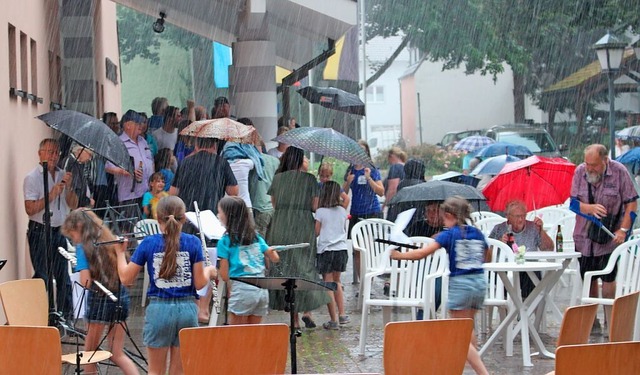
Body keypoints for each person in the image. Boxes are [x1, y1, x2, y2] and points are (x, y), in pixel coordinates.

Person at [115, 196, 217, 375]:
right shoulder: (193, 242)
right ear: (184, 218)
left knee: (155, 371)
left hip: (159, 310)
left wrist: (119, 253)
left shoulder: (149, 243)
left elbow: (125, 279)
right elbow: (200, 282)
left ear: (157, 217)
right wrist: (209, 271)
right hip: (187, 310)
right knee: (178, 372)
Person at [390, 196, 489, 375]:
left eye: (444, 217)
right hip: (479, 282)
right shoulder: (476, 232)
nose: (442, 221)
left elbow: (422, 253)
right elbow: (487, 256)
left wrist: (399, 256)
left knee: (459, 335)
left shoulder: (449, 234)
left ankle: (483, 372)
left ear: (450, 215)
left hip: (461, 284)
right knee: (467, 328)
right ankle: (465, 367)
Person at [61, 209, 138, 375]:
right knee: (117, 353)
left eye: (72, 235)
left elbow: (86, 281)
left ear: (79, 228)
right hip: (120, 297)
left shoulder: (83, 248)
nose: (73, 239)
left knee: (90, 354)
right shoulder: (110, 240)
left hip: (98, 299)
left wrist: (79, 267)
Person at [570, 144, 638, 332]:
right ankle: (593, 321)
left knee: (608, 278)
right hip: (584, 237)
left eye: (594, 165)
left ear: (605, 161)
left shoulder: (619, 172)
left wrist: (623, 230)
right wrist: (588, 208)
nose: (589, 169)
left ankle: (610, 318)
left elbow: (632, 203)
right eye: (587, 164)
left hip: (609, 237)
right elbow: (573, 204)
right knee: (588, 278)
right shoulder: (580, 172)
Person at [267, 146, 329, 331]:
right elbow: (314, 206)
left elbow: (275, 204)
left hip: (282, 224)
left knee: (287, 269)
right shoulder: (310, 179)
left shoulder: (278, 179)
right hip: (303, 225)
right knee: (306, 267)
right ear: (301, 160)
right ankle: (307, 311)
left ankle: (293, 319)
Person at [24, 138, 77, 320]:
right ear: (40, 154)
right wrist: (52, 193)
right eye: (49, 152)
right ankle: (43, 315)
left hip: (59, 230)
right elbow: (29, 209)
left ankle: (65, 316)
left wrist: (68, 188)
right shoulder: (32, 178)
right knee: (43, 276)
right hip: (40, 231)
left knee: (63, 275)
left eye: (56, 152)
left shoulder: (63, 174)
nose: (54, 156)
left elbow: (73, 204)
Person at [217, 196, 280, 325]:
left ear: (228, 216)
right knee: (254, 336)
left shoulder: (225, 241)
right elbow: (275, 258)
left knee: (237, 336)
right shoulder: (256, 237)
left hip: (242, 289)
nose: (218, 215)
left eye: (220, 212)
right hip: (261, 289)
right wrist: (270, 250)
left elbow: (224, 275)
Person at [488, 200, 554, 298]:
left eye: (523, 216)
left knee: (533, 275)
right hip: (506, 268)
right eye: (517, 216)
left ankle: (527, 308)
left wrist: (541, 230)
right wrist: (499, 244)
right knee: (505, 276)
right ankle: (510, 309)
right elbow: (487, 255)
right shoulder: (499, 229)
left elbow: (549, 248)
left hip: (530, 267)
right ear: (508, 216)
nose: (521, 219)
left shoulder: (533, 227)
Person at [343, 140, 384, 281]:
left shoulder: (372, 169)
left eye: (363, 150)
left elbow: (381, 192)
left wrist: (369, 179)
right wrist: (348, 181)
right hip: (356, 212)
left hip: (371, 211)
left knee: (368, 248)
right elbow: (343, 193)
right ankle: (362, 283)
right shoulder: (350, 170)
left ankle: (369, 281)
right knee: (357, 249)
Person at [315, 181, 350, 330]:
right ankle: (342, 314)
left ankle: (333, 320)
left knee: (328, 284)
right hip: (341, 249)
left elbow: (316, 232)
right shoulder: (342, 211)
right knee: (337, 282)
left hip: (326, 250)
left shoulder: (321, 211)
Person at [105, 110, 154, 214]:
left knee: (148, 226)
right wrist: (128, 172)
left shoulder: (142, 141)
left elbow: (150, 160)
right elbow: (108, 166)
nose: (140, 126)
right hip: (130, 196)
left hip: (147, 193)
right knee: (133, 227)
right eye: (137, 123)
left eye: (141, 123)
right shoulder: (118, 143)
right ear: (127, 125)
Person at [383, 147, 406, 215]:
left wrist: (384, 205)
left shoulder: (395, 168)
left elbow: (392, 189)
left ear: (391, 156)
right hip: (405, 203)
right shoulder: (406, 166)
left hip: (395, 204)